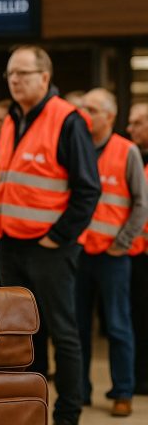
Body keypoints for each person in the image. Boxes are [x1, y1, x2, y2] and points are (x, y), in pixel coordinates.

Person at [0, 45, 101, 425]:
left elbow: (88, 189)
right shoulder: (12, 119)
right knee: (23, 335)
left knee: (63, 333)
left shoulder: (67, 120)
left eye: (22, 73)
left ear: (45, 77)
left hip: (50, 248)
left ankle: (67, 414)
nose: (14, 80)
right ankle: (30, 409)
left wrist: (57, 237)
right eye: (10, 73)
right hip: (11, 244)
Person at [76, 88, 147, 417]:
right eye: (83, 108)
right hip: (78, 254)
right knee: (77, 328)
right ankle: (80, 392)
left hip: (113, 256)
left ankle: (123, 392)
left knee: (118, 326)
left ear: (109, 116)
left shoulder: (126, 150)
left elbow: (141, 204)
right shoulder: (77, 146)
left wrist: (122, 242)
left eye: (92, 109)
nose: (85, 114)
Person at [125, 102, 148, 395]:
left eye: (137, 123)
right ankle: (140, 377)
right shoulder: (133, 156)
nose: (130, 128)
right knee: (138, 319)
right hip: (135, 253)